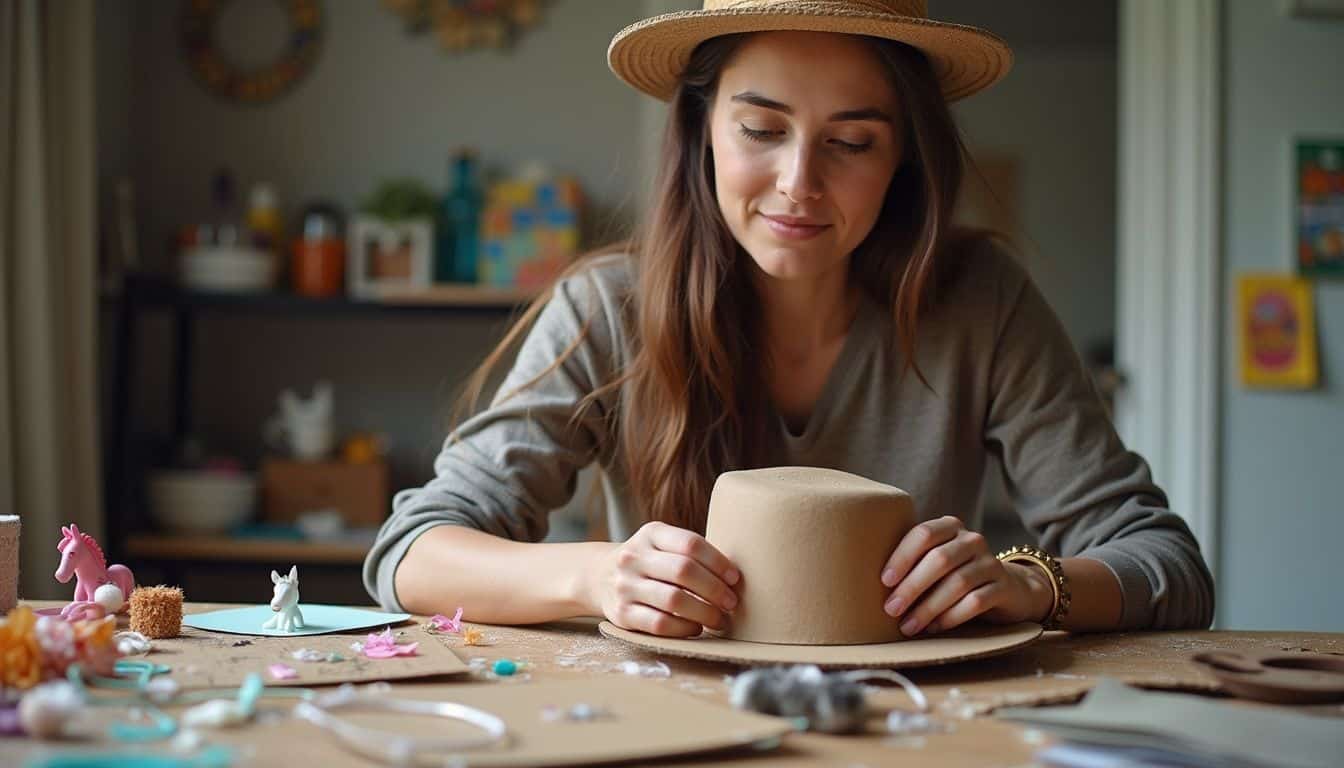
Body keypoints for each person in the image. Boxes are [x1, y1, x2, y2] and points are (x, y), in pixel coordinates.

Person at [364, 0, 1215, 638]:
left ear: (904, 158)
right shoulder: (607, 307)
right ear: (702, 130)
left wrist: (1034, 582)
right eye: (762, 129)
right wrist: (597, 578)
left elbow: (1167, 565)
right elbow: (411, 555)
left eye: (850, 143)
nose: (798, 184)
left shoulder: (981, 302)